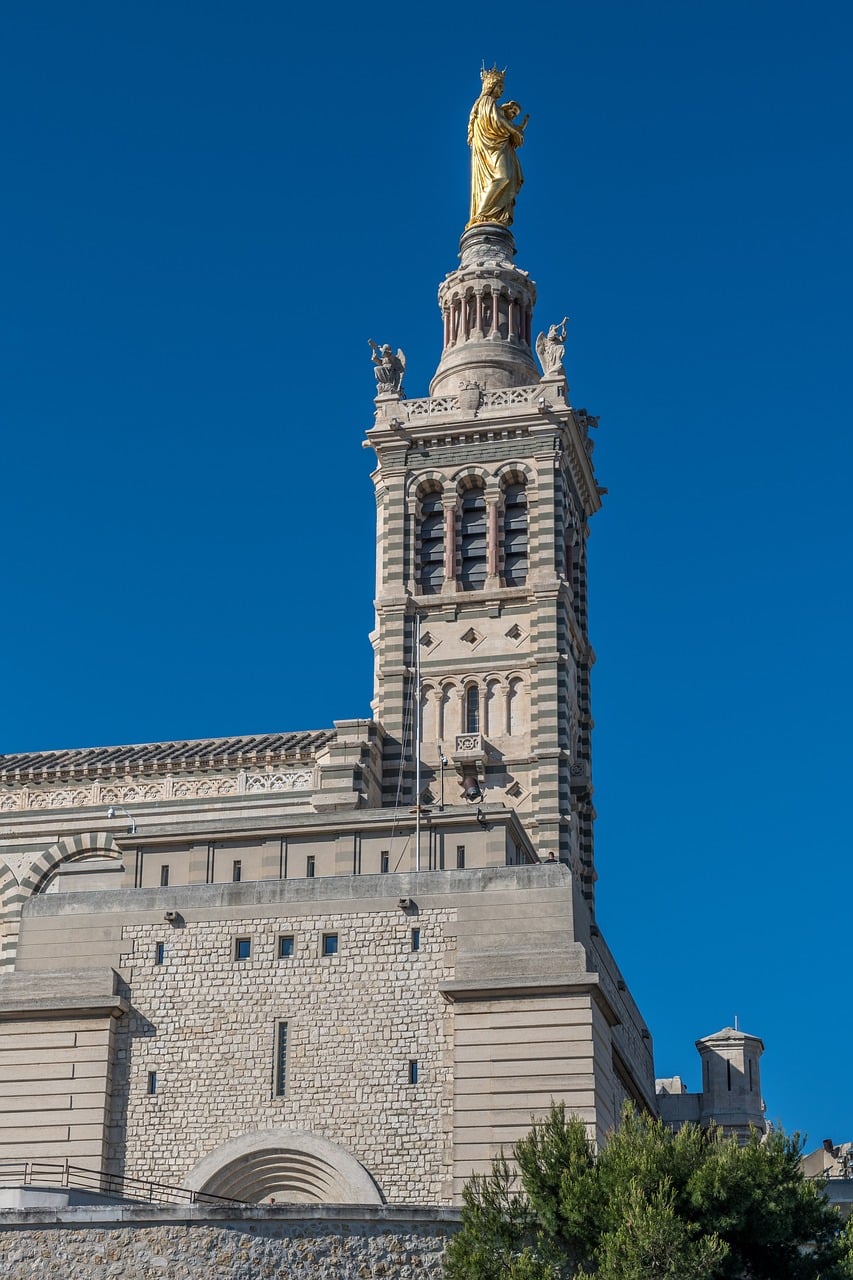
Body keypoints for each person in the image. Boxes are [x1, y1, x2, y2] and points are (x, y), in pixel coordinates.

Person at [467, 68, 529, 228]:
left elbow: (499, 123)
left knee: (505, 179)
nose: (501, 91)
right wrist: (514, 130)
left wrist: (513, 135)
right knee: (503, 177)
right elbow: (496, 122)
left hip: (499, 149)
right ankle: (482, 214)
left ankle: (491, 214)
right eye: (499, 87)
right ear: (490, 85)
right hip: (491, 150)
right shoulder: (486, 102)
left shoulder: (488, 104)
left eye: (502, 88)